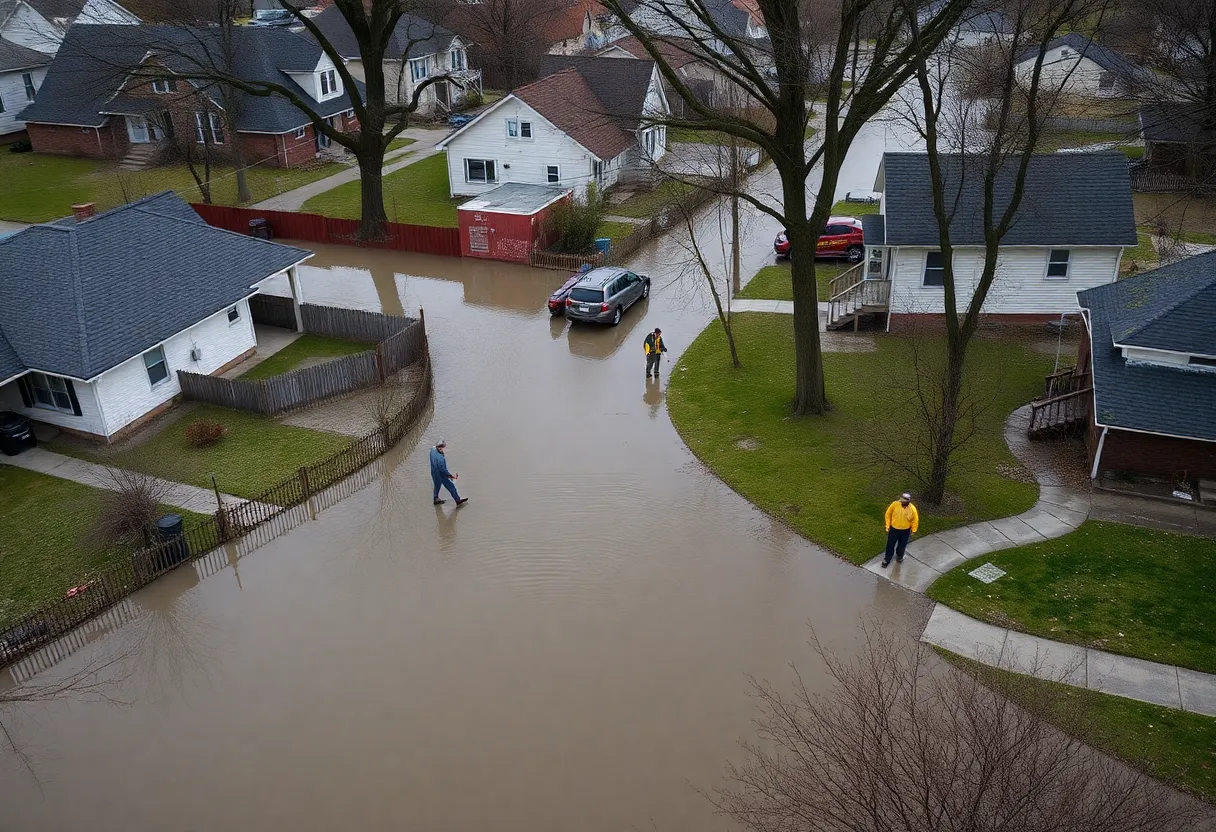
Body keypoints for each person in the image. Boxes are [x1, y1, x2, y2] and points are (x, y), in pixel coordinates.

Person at [881, 492, 918, 568]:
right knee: (890, 545)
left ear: (908, 501)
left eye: (903, 501)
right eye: (901, 501)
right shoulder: (895, 504)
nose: (901, 502)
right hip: (894, 529)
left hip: (905, 530)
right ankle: (887, 559)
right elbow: (888, 514)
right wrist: (888, 525)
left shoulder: (912, 509)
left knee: (902, 545)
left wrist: (913, 530)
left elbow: (915, 520)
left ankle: (900, 555)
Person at [430, 440, 468, 506]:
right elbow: (443, 470)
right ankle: (458, 501)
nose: (442, 448)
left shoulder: (432, 450)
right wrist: (451, 476)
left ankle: (435, 498)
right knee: (451, 487)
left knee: (436, 485)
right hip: (441, 475)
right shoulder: (440, 459)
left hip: (434, 472)